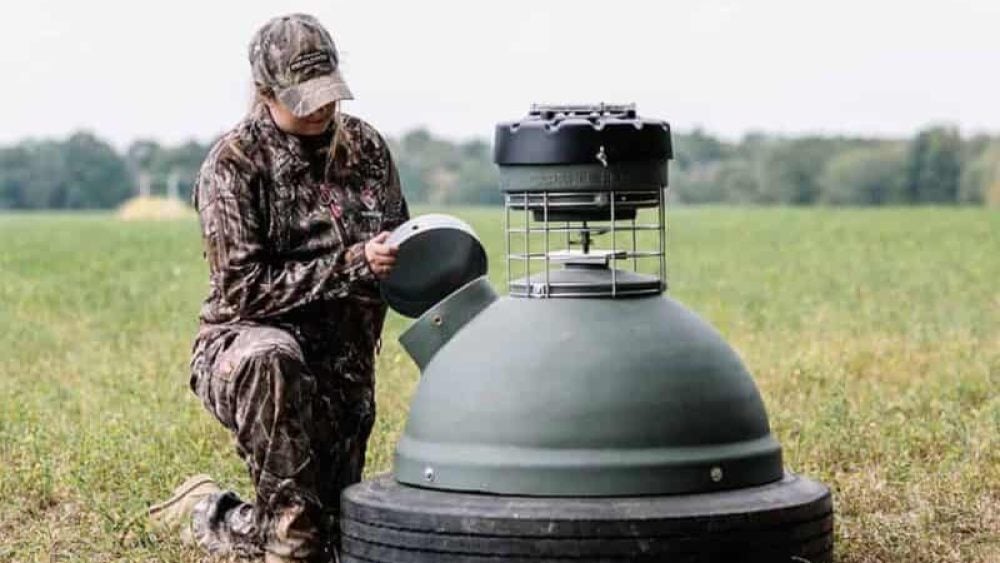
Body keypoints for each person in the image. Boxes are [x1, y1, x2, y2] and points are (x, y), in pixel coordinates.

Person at [148, 13, 408, 563]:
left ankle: (208, 511)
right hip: (250, 356)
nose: (320, 108)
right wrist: (354, 263)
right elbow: (244, 290)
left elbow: (397, 243)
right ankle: (284, 542)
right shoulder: (234, 163)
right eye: (302, 97)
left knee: (338, 536)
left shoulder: (367, 149)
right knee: (299, 542)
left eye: (327, 92)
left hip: (342, 367)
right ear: (265, 92)